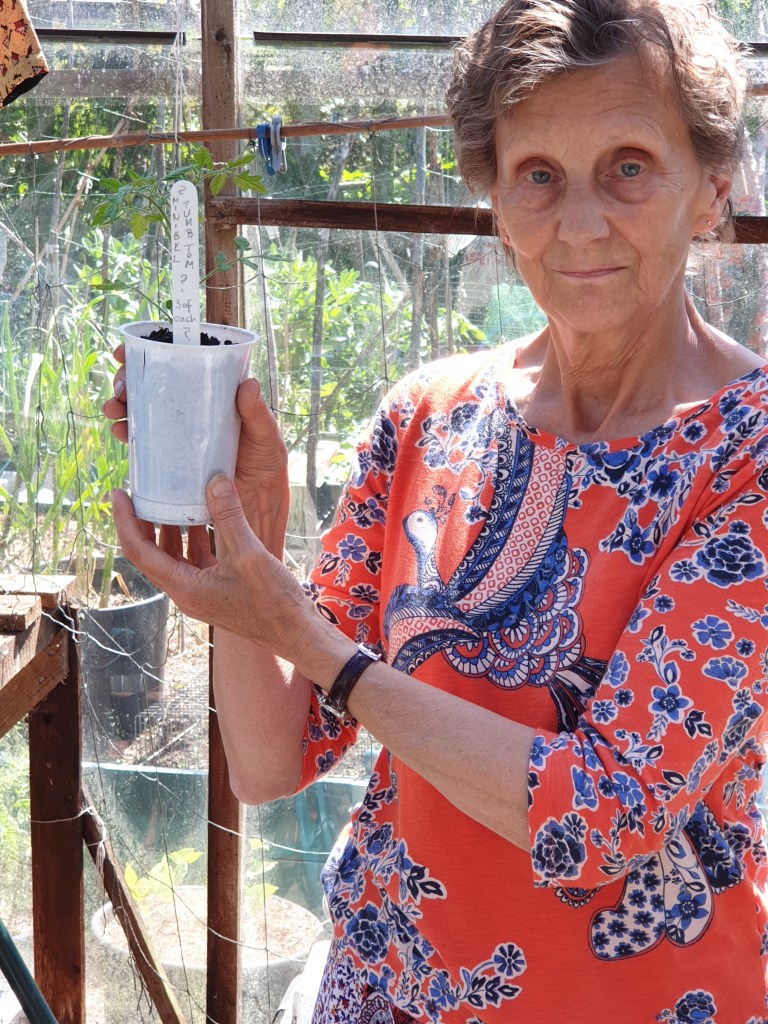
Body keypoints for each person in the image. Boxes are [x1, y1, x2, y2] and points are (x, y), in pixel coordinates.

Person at [105, 1, 768, 1020]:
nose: (579, 221)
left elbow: (599, 819)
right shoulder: (429, 418)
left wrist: (323, 647)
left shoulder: (745, 453)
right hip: (395, 992)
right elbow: (277, 759)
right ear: (496, 202)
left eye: (630, 165)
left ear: (711, 191)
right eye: (536, 175)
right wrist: (249, 546)